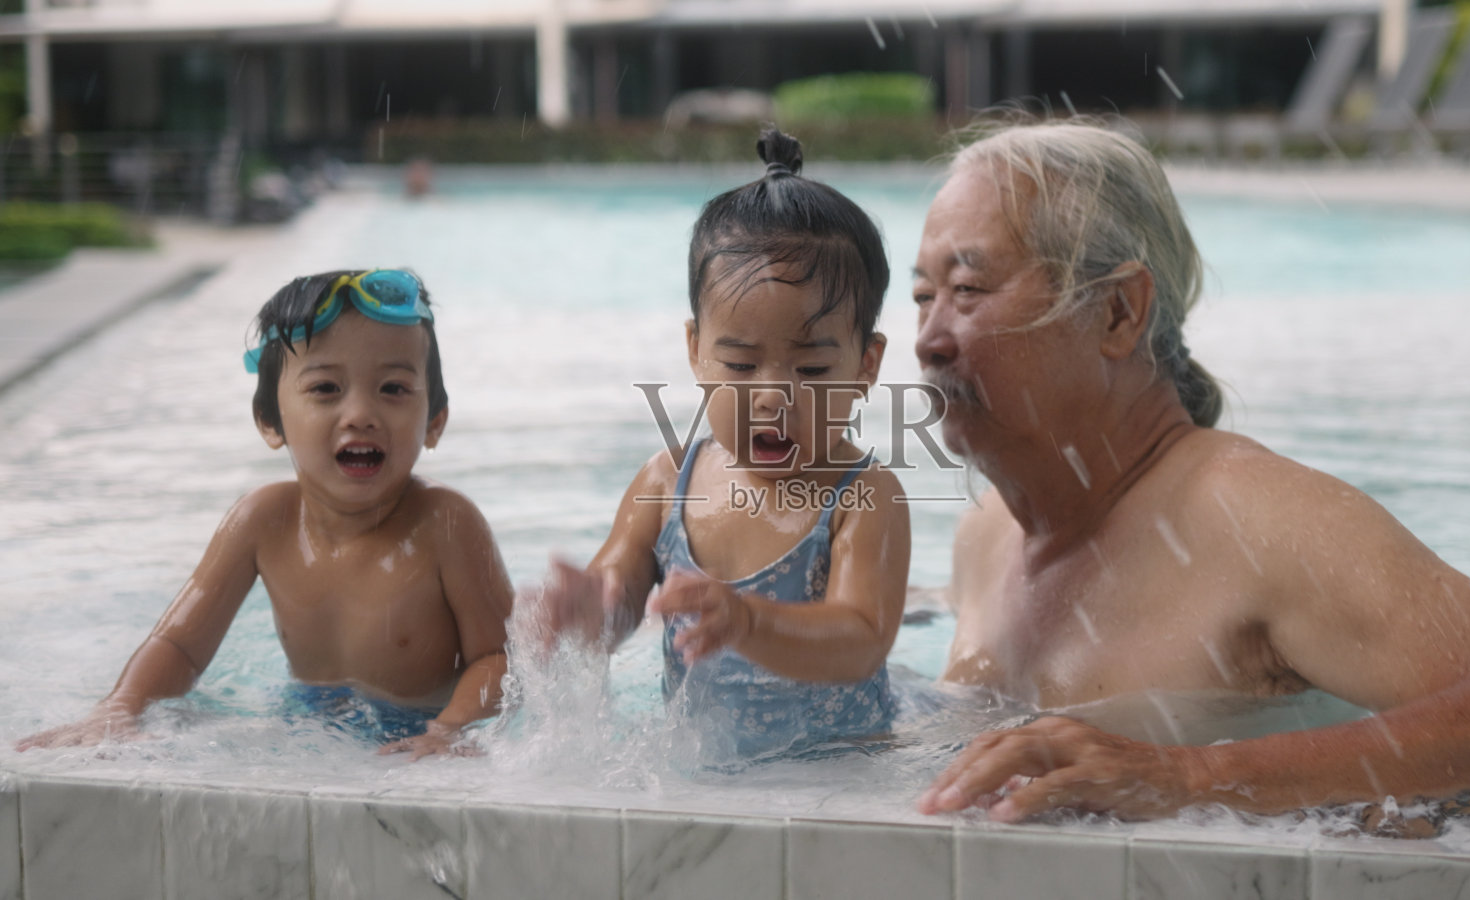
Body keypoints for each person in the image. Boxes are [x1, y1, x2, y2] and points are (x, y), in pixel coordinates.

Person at [910, 119, 1470, 822]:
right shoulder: (987, 534)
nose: (928, 341)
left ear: (1118, 312)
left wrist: (1188, 774)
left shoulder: (1259, 522)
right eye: (921, 298)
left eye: (968, 290)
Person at [16, 269, 514, 760]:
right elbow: (180, 643)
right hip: (305, 717)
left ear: (435, 421)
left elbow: (500, 657)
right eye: (325, 389)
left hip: (423, 722)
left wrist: (450, 728)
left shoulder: (446, 523)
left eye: (393, 389)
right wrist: (121, 706)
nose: (361, 412)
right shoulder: (263, 518)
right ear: (270, 421)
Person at [531, 129, 910, 760]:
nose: (772, 396)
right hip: (705, 777)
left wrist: (750, 621)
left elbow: (862, 637)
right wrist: (587, 613)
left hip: (844, 775)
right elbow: (621, 593)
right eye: (739, 365)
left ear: (867, 365)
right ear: (695, 351)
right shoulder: (666, 482)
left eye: (812, 371)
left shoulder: (863, 498)